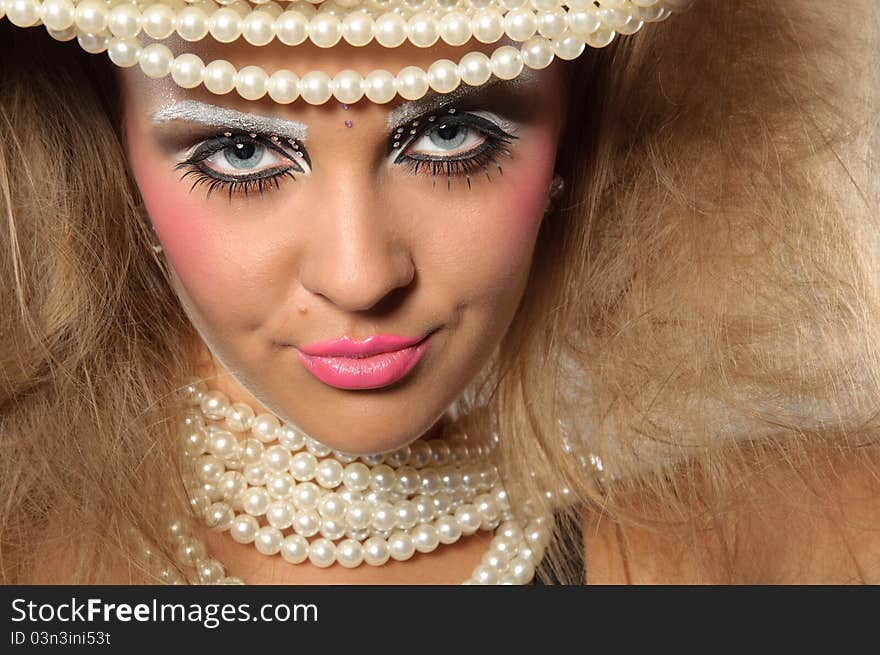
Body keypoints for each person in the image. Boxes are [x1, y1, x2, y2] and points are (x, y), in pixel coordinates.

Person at [1, 0, 877, 585]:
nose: (360, 275)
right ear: (110, 152)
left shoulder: (801, 538)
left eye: (451, 132)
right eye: (239, 152)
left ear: (577, 132)